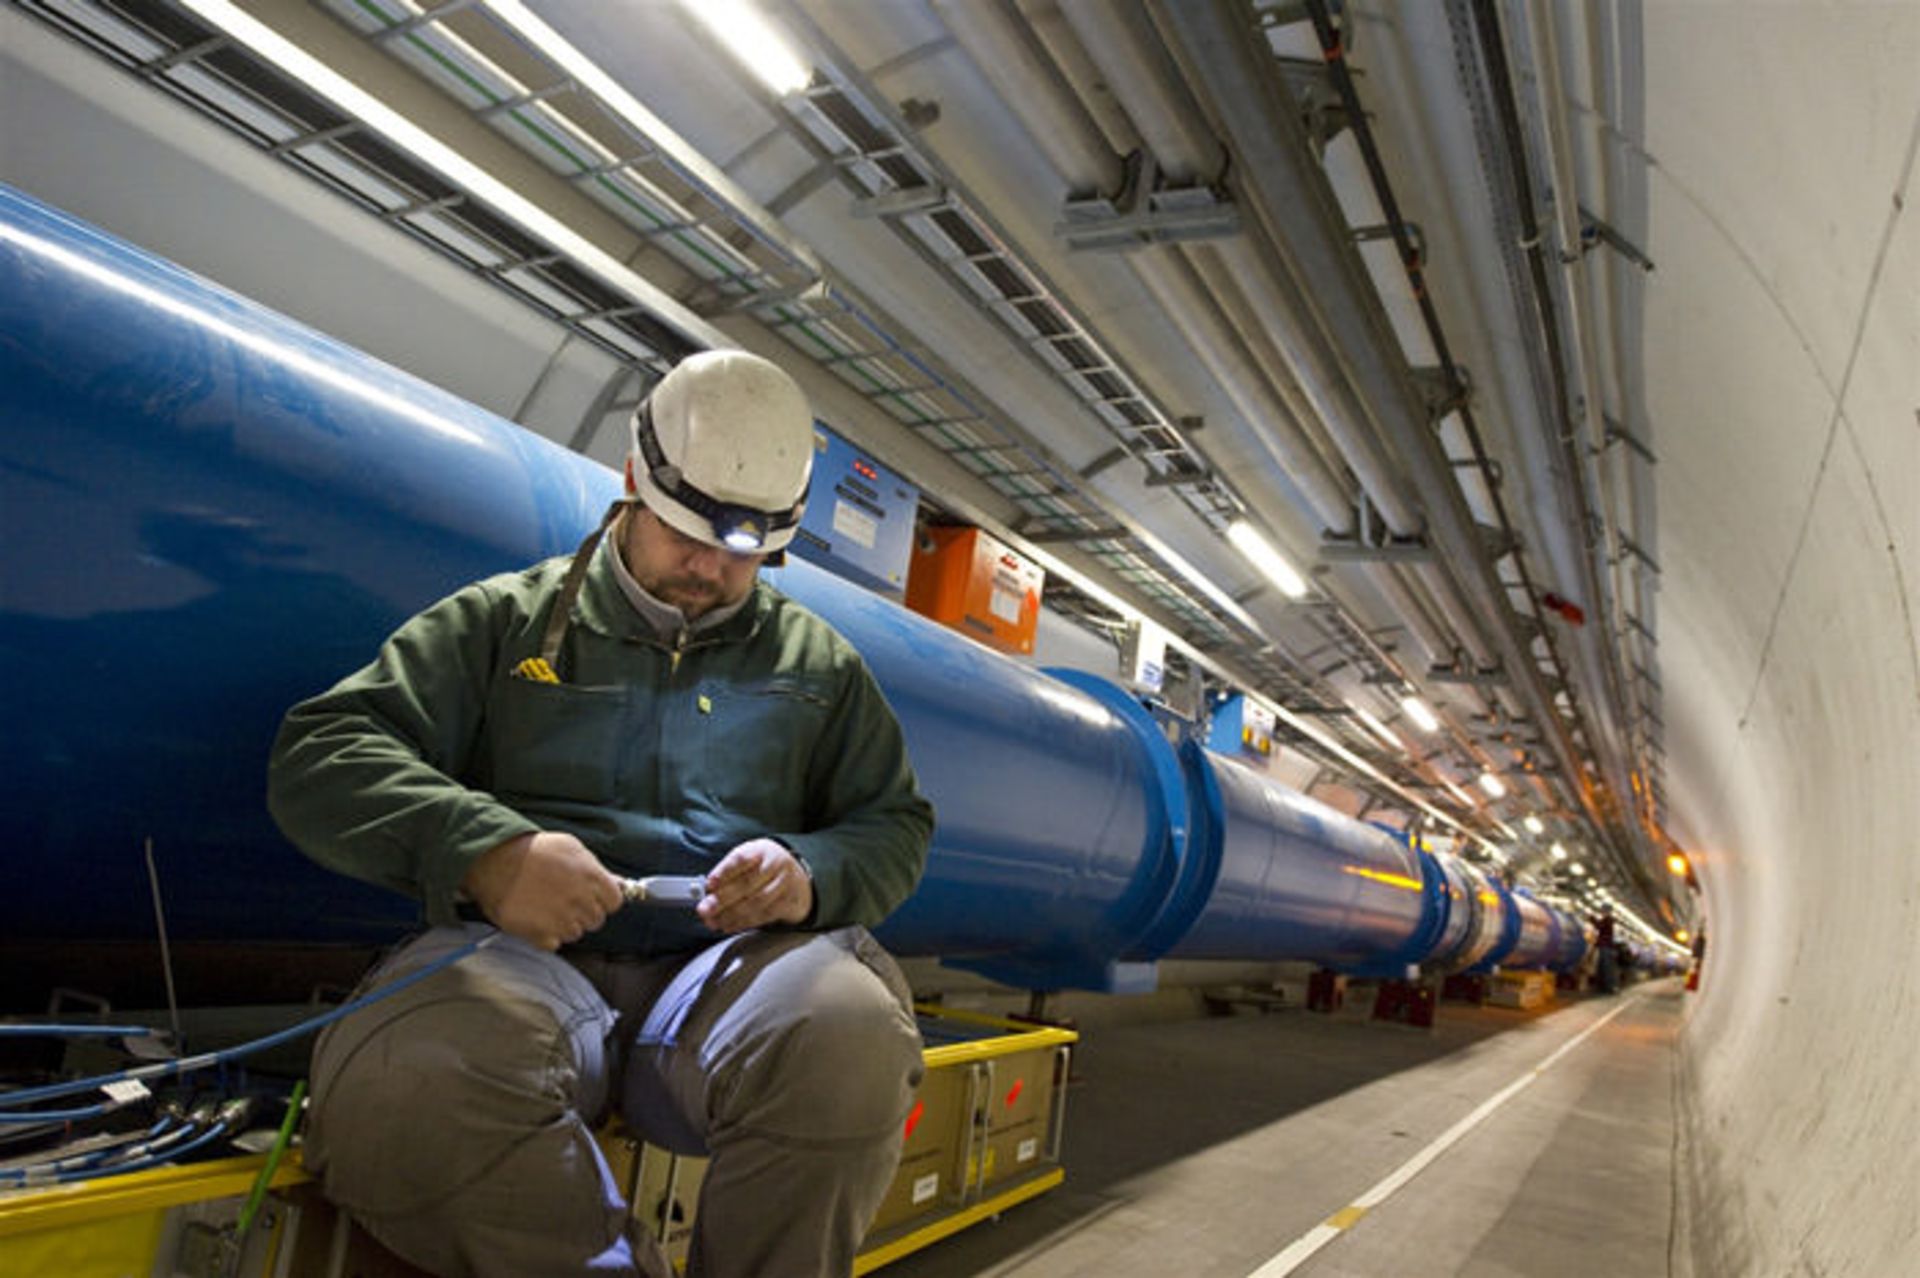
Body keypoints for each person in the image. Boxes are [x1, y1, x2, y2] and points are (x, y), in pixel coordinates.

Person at [268, 349, 935, 1278]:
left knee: (850, 1039)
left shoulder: (819, 671)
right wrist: (488, 853)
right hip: (518, 975)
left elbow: (893, 824)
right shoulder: (503, 624)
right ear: (631, 482)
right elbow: (323, 754)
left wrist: (807, 873)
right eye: (684, 537)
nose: (706, 570)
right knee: (404, 1079)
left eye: (740, 554)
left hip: (722, 991)